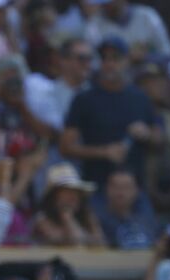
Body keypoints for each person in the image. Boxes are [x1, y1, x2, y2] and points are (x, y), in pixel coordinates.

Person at [60, 36, 160, 193]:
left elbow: (160, 136)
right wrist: (104, 152)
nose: (109, 64)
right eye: (104, 58)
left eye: (116, 58)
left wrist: (146, 134)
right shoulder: (84, 99)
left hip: (135, 189)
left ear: (126, 61)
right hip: (97, 188)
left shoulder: (140, 97)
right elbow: (66, 147)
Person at [31, 162, 105, 247]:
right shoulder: (42, 219)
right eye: (66, 191)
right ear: (54, 196)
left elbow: (101, 244)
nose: (73, 196)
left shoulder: (87, 216)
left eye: (75, 191)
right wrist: (67, 218)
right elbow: (76, 243)